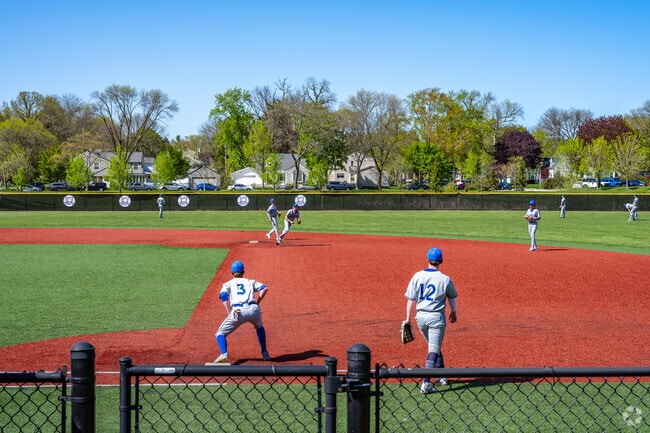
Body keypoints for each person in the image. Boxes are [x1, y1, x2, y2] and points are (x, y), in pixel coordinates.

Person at [404, 247, 458, 394]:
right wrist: (453, 312)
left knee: (434, 345)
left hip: (420, 317)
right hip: (436, 318)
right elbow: (452, 297)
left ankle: (442, 376)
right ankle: (426, 382)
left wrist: (408, 319)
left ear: (427, 260)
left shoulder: (417, 276)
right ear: (441, 261)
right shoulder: (445, 279)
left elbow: (411, 299)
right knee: (433, 348)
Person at [210, 261, 270, 364]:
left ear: (232, 273)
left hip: (238, 312)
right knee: (259, 327)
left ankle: (224, 354)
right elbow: (264, 288)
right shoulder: (250, 281)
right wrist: (258, 302)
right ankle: (265, 352)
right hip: (253, 309)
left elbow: (224, 296)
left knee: (220, 333)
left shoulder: (228, 284)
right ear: (243, 272)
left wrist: (229, 311)